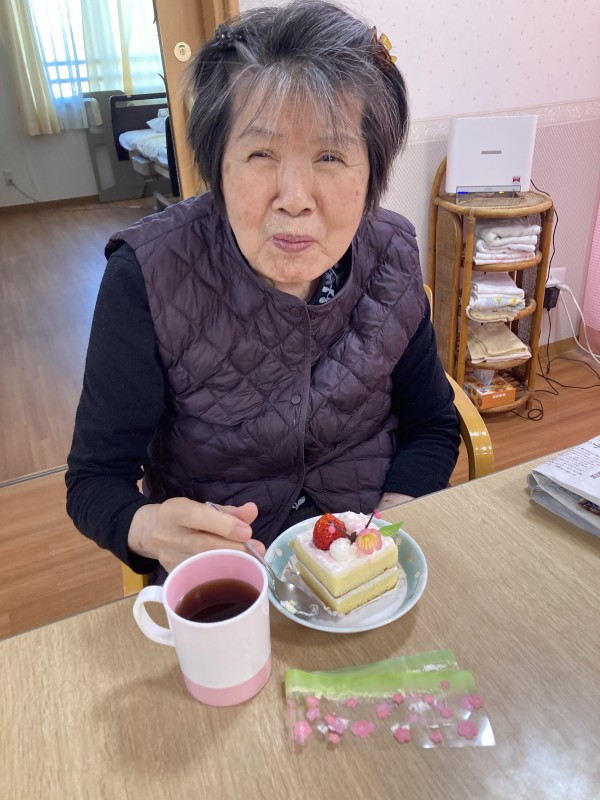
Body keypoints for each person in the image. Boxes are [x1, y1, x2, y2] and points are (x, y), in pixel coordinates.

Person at [66, 0, 460, 582]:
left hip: (369, 561)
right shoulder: (147, 274)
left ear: (372, 172)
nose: (294, 198)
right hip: (226, 578)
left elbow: (433, 426)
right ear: (218, 167)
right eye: (260, 154)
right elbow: (94, 480)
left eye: (331, 155)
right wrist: (148, 527)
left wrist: (382, 534)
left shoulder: (391, 253)